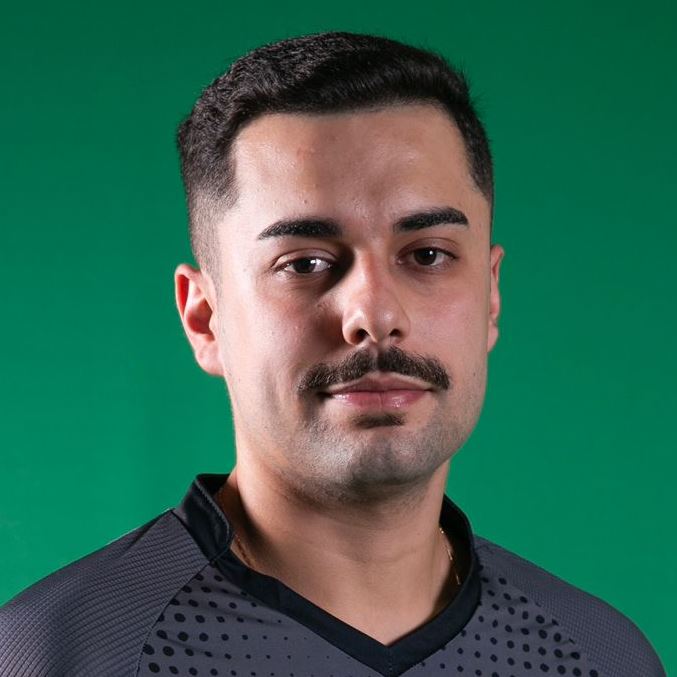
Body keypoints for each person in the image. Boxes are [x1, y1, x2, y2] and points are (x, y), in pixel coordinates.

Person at [0, 31, 666, 677]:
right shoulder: (56, 656)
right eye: (304, 263)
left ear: (490, 296)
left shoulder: (600, 657)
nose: (375, 314)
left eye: (428, 255)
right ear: (204, 317)